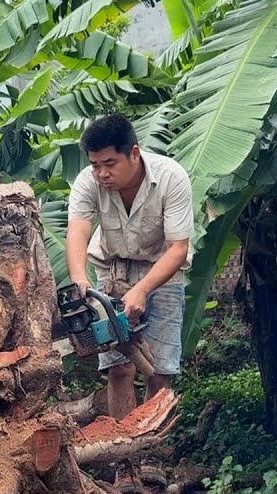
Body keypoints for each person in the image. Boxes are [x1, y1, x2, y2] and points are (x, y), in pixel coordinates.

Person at [65, 113, 197, 421]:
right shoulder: (88, 182)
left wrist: (142, 290)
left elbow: (178, 248)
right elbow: (78, 230)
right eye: (95, 165)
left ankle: (151, 454)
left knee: (159, 371)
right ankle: (124, 456)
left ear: (134, 154)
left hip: (164, 274)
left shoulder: (171, 177)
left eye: (110, 164)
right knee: (118, 367)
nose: (101, 173)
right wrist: (79, 282)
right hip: (112, 271)